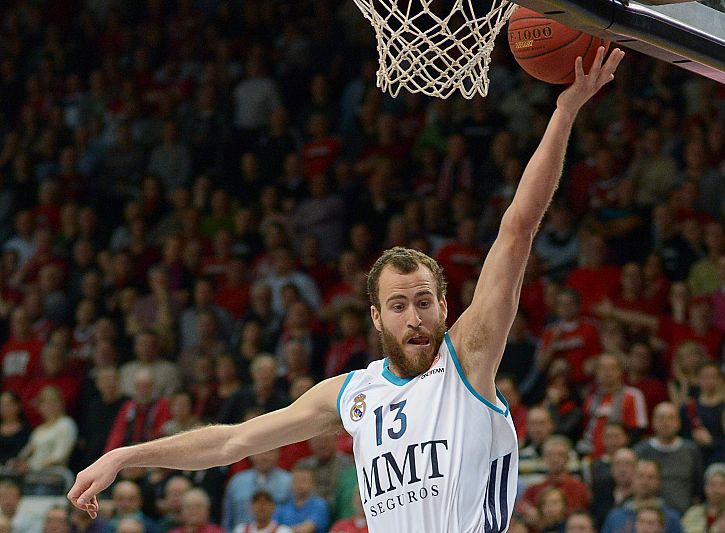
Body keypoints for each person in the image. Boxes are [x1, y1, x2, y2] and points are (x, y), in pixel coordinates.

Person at [67, 48, 626, 533]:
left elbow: (517, 226)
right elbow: (231, 442)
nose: (415, 319)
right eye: (400, 305)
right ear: (378, 318)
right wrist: (126, 454)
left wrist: (564, 111)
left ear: (444, 307)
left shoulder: (467, 360)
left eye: (425, 302)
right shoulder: (352, 395)